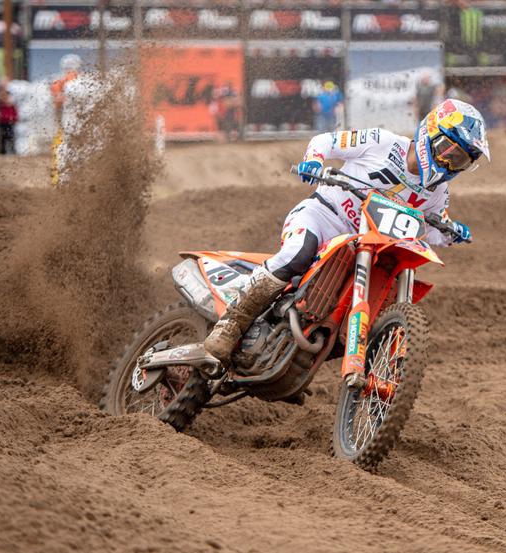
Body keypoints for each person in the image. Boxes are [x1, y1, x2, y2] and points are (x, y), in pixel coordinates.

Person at [204, 99, 490, 367]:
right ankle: (231, 324)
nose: (449, 162)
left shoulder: (438, 192)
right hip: (324, 216)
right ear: (430, 133)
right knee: (297, 254)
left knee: (381, 287)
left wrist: (452, 232)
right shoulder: (383, 142)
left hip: (366, 244)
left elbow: (431, 228)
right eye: (448, 150)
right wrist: (315, 160)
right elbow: (326, 141)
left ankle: (297, 363)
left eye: (460, 160)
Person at [50, 54, 81, 185]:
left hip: (68, 124)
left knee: (60, 151)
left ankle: (59, 181)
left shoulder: (59, 83)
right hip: (84, 124)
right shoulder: (85, 81)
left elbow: (57, 103)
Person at [0, 82, 18, 155]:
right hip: (1, 122)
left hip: (9, 122)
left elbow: (13, 109)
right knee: (2, 138)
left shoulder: (10, 100)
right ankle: (2, 152)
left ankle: (12, 152)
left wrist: (15, 118)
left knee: (11, 138)